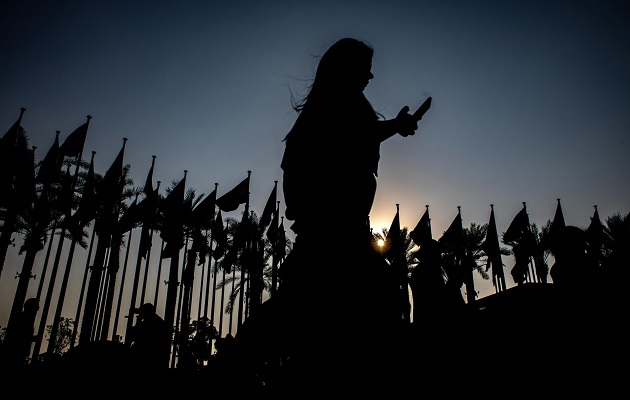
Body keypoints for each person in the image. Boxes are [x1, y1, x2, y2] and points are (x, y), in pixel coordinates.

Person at [277, 37, 423, 393]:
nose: (371, 76)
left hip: (339, 232)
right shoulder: (334, 107)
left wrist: (395, 126)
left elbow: (359, 133)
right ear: (345, 68)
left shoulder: (341, 106)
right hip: (333, 236)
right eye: (364, 68)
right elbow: (353, 135)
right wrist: (395, 126)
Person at [128, 303, 170, 372]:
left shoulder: (151, 322)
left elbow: (137, 336)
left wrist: (138, 323)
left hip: (148, 356)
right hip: (154, 357)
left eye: (142, 311)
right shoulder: (156, 321)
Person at [1, 297, 40, 370]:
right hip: (15, 354)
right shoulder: (23, 319)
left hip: (18, 354)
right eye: (36, 307)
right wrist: (34, 338)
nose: (37, 309)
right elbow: (20, 336)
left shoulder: (25, 319)